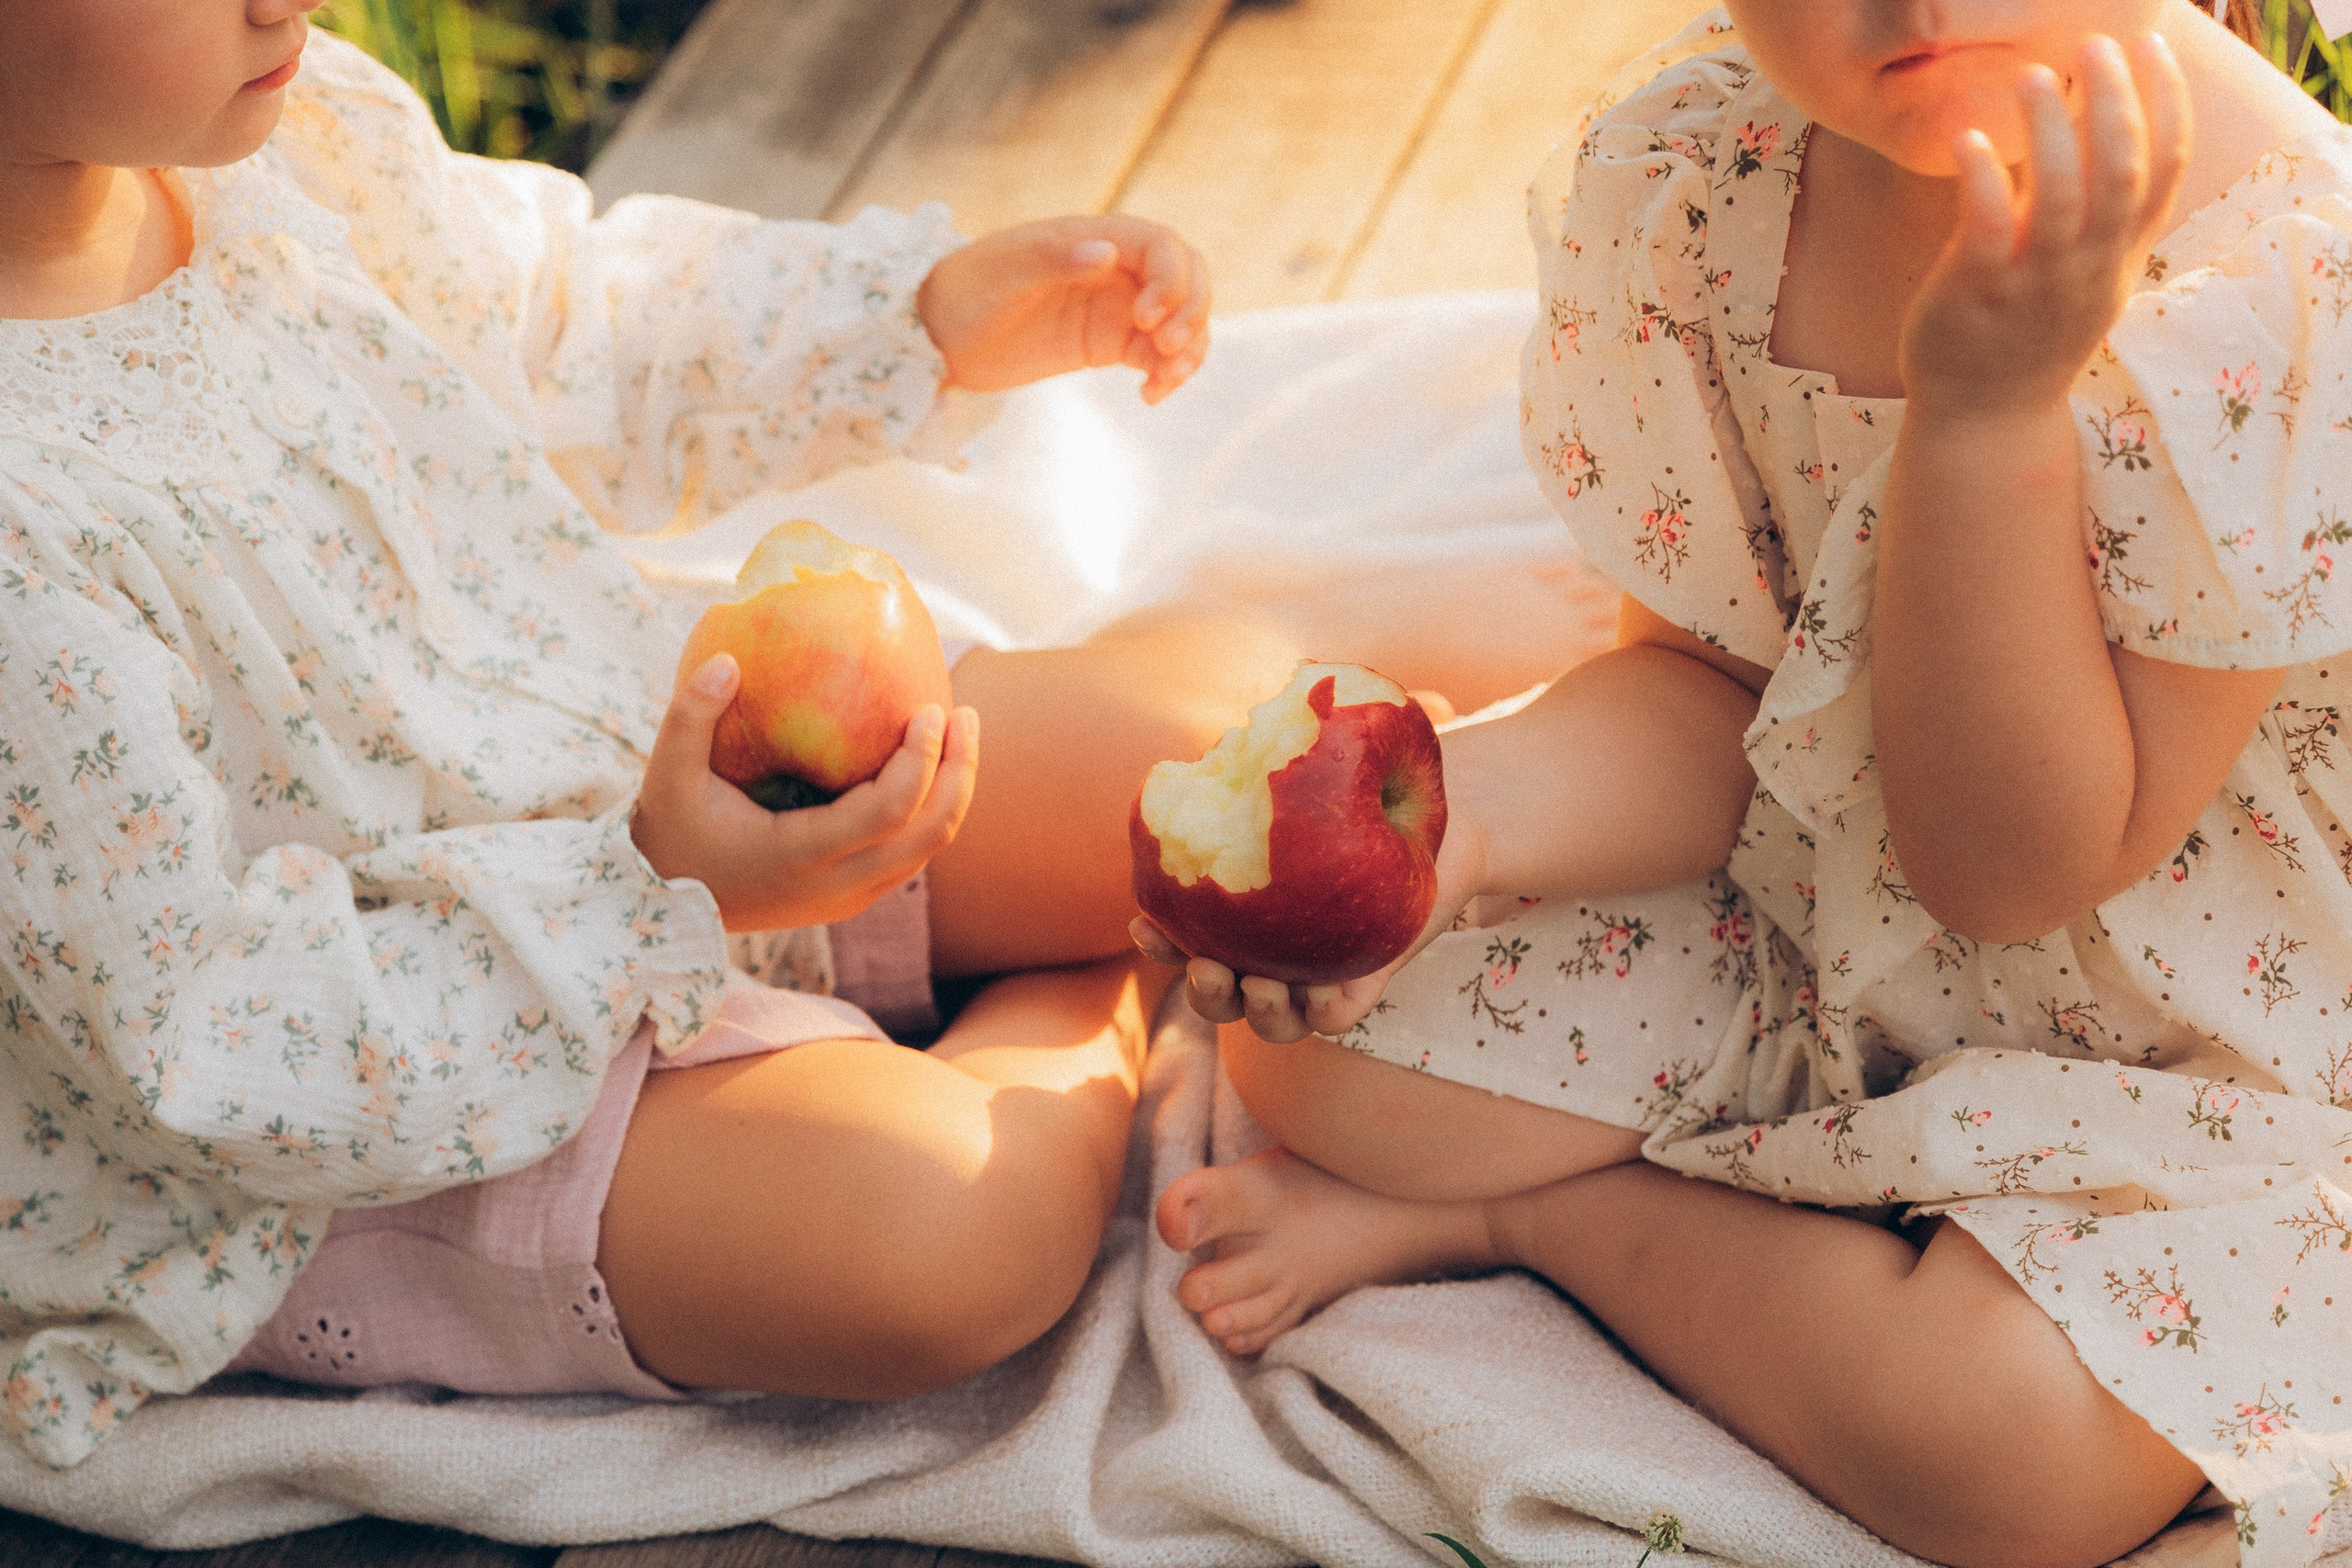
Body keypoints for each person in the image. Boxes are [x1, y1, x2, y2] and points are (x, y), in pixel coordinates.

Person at [0, 0, 1300, 1470]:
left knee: (1205, 754)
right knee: (948, 1232)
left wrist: (914, 318)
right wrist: (643, 892)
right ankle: (1089, 993)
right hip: (356, 1118)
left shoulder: (285, 137)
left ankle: (1021, 942)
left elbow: (573, 324)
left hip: (626, 791)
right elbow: (209, 1041)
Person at [1136, 4, 2352, 1564]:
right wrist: (1469, 828)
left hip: (2205, 1053)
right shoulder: (1711, 182)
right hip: (1821, 918)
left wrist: (1987, 418)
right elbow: (1714, 692)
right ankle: (1746, 1204)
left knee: (1999, 1446)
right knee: (1318, 1057)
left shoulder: (2280, 283)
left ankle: (1543, 1221)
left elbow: (2018, 868)